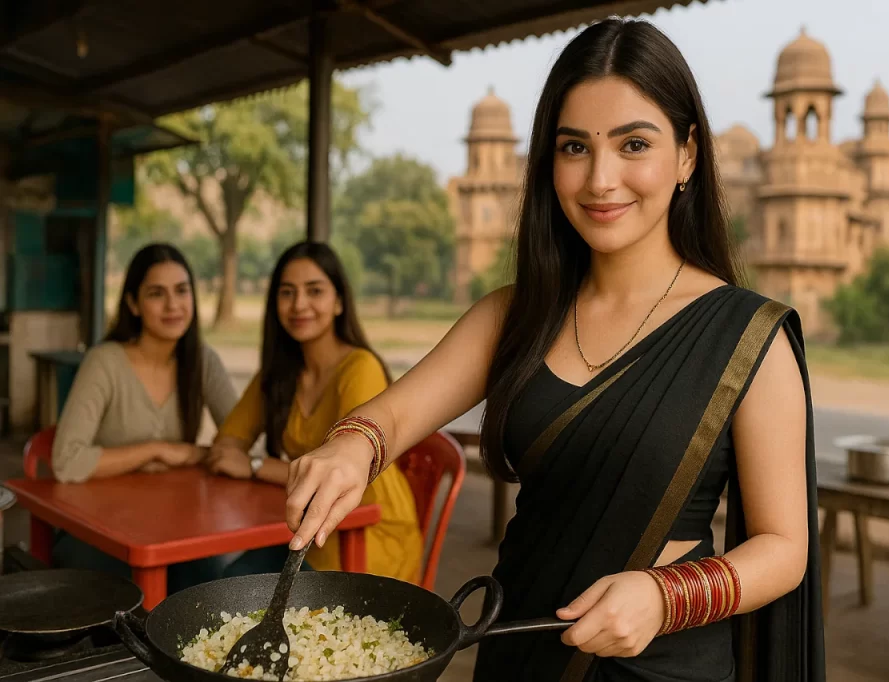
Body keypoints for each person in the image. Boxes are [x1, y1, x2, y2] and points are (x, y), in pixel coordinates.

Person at [284, 18, 824, 682]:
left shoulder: (746, 335)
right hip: (520, 644)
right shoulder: (516, 314)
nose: (600, 179)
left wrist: (664, 595)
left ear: (686, 155)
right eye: (575, 147)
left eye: (633, 144)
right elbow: (390, 419)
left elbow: (784, 548)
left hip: (662, 659)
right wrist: (352, 445)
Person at [206, 242, 422, 582]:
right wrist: (240, 459)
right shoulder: (279, 373)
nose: (299, 305)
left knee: (238, 591)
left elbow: (343, 478)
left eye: (315, 291)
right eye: (287, 293)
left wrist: (254, 465)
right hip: (307, 526)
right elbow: (225, 445)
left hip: (368, 531)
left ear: (338, 302)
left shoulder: (359, 368)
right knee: (225, 583)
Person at [51, 243, 238, 592]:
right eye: (156, 293)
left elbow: (240, 440)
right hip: (97, 530)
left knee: (214, 587)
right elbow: (66, 461)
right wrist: (157, 450)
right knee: (127, 599)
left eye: (182, 291)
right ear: (133, 304)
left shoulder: (202, 360)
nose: (173, 305)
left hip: (174, 529)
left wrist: (217, 450)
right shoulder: (105, 362)